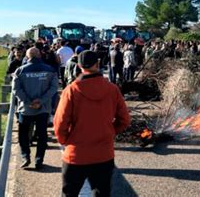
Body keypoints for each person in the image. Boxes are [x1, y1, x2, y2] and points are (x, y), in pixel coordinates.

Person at [54, 50, 131, 197]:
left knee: (70, 193)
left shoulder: (71, 90)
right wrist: (109, 132)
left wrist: (67, 141)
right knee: (102, 193)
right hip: (103, 153)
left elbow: (60, 123)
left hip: (76, 154)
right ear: (98, 63)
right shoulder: (112, 89)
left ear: (79, 66)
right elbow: (125, 120)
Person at [12, 47, 58, 169]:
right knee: (42, 135)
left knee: (23, 134)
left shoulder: (20, 71)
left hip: (25, 109)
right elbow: (53, 89)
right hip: (43, 109)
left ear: (27, 57)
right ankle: (39, 160)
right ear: (40, 56)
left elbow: (16, 89)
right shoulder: (50, 70)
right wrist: (41, 101)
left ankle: (25, 156)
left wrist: (28, 102)